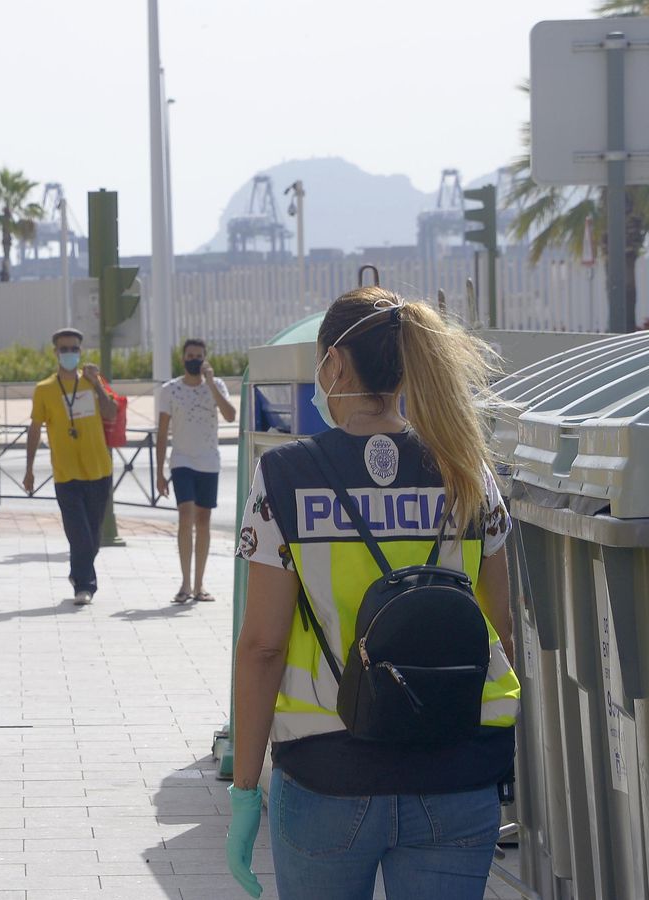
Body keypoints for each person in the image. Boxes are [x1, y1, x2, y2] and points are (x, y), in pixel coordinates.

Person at [226, 288, 521, 900]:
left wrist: (246, 790)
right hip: (456, 772)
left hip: (327, 776)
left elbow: (261, 648)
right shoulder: (468, 469)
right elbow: (501, 631)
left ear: (334, 363)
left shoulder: (285, 476)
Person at [22, 328, 120, 606]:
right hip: (66, 474)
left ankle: (79, 572)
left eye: (74, 349)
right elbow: (35, 429)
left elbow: (111, 412)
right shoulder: (44, 389)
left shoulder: (91, 381)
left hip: (99, 469)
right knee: (79, 534)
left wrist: (97, 384)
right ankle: (84, 585)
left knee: (94, 536)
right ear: (55, 352)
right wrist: (29, 469)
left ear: (80, 351)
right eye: (64, 349)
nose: (69, 353)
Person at [155, 338, 237, 604]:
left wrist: (211, 383)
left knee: (203, 520)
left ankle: (200, 584)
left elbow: (230, 415)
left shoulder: (217, 385)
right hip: (182, 461)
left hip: (208, 461)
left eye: (199, 356)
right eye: (190, 356)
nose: (194, 360)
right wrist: (159, 472)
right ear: (183, 359)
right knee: (185, 515)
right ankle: (185, 583)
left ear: (205, 359)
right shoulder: (170, 390)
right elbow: (162, 432)